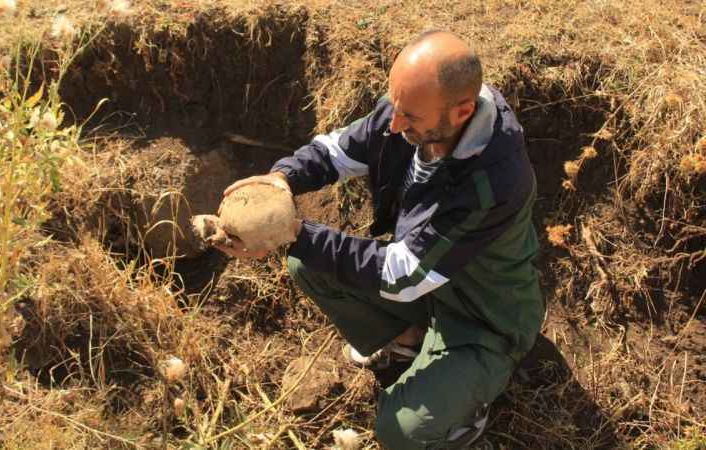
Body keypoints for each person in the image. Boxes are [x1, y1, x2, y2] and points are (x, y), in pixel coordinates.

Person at [216, 30, 544, 449]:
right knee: (308, 263)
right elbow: (336, 151)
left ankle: (466, 415)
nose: (394, 124)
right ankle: (409, 341)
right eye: (396, 107)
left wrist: (293, 232)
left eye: (409, 117)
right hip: (429, 289)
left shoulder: (490, 183)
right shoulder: (413, 110)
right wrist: (281, 179)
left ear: (461, 112)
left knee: (400, 433)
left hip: (483, 319)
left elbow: (403, 272)